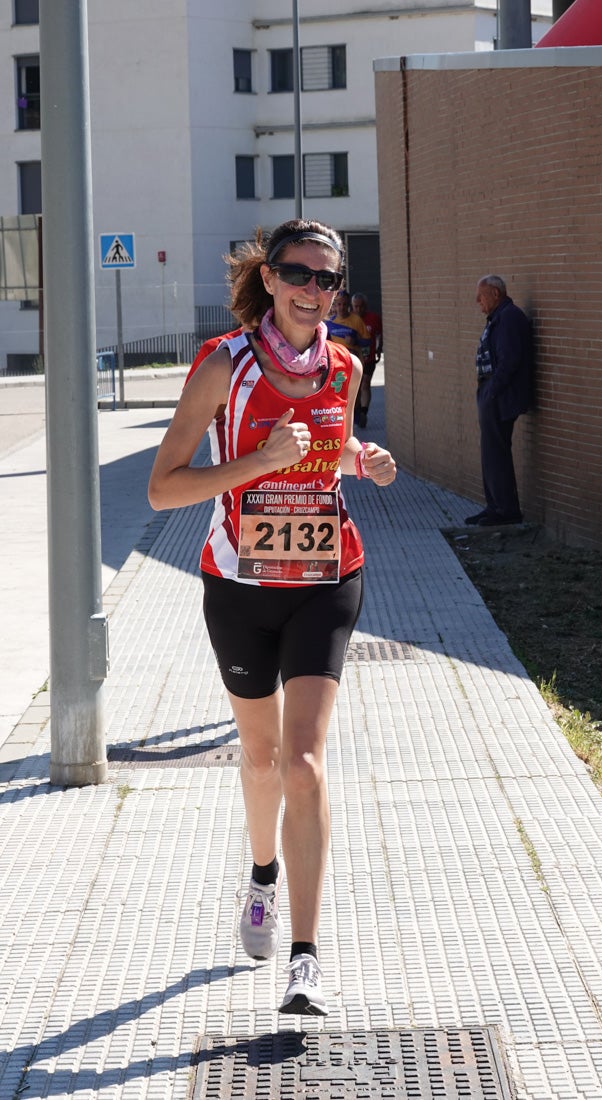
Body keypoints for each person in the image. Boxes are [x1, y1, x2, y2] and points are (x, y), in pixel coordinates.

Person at [148, 218, 397, 1016]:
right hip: (240, 587)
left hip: (327, 578)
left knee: (303, 764)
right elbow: (163, 487)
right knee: (258, 762)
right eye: (298, 274)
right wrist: (256, 463)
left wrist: (366, 460)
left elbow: (331, 447)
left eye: (328, 280)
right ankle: (261, 878)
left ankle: (305, 956)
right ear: (268, 279)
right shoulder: (224, 365)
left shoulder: (346, 365)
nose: (313, 292)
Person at [466, 274, 532, 526]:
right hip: (492, 393)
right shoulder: (499, 317)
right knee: (490, 452)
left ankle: (506, 510)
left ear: (495, 293)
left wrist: (492, 391)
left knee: (497, 453)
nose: (477, 301)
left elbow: (510, 360)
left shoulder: (509, 317)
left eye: (481, 296)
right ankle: (494, 505)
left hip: (500, 397)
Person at [351, 292, 383, 429]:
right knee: (355, 388)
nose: (359, 310)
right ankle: (357, 411)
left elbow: (380, 334)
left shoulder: (374, 318)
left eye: (361, 306)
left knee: (365, 384)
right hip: (354, 359)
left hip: (368, 357)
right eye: (356, 307)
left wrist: (378, 349)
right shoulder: (349, 319)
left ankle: (364, 411)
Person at [325, 289, 370, 367]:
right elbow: (325, 343)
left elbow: (368, 341)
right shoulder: (329, 322)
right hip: (337, 362)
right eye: (339, 304)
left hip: (354, 361)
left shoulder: (356, 320)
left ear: (349, 305)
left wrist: (355, 341)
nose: (342, 307)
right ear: (335, 306)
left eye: (344, 304)